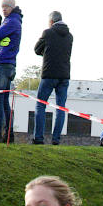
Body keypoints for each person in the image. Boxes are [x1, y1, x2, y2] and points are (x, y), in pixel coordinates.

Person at [32, 10, 73, 145]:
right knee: (61, 108)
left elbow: (37, 49)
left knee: (40, 105)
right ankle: (56, 139)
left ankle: (38, 138)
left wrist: (46, 52)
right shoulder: (70, 36)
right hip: (64, 76)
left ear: (51, 22)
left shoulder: (47, 33)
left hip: (49, 74)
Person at [0, 0, 23, 143]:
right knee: (4, 102)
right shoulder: (12, 21)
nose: (4, 9)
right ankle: (8, 134)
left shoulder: (11, 22)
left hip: (3, 63)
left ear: (12, 7)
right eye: (2, 7)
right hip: (8, 64)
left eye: (7, 6)